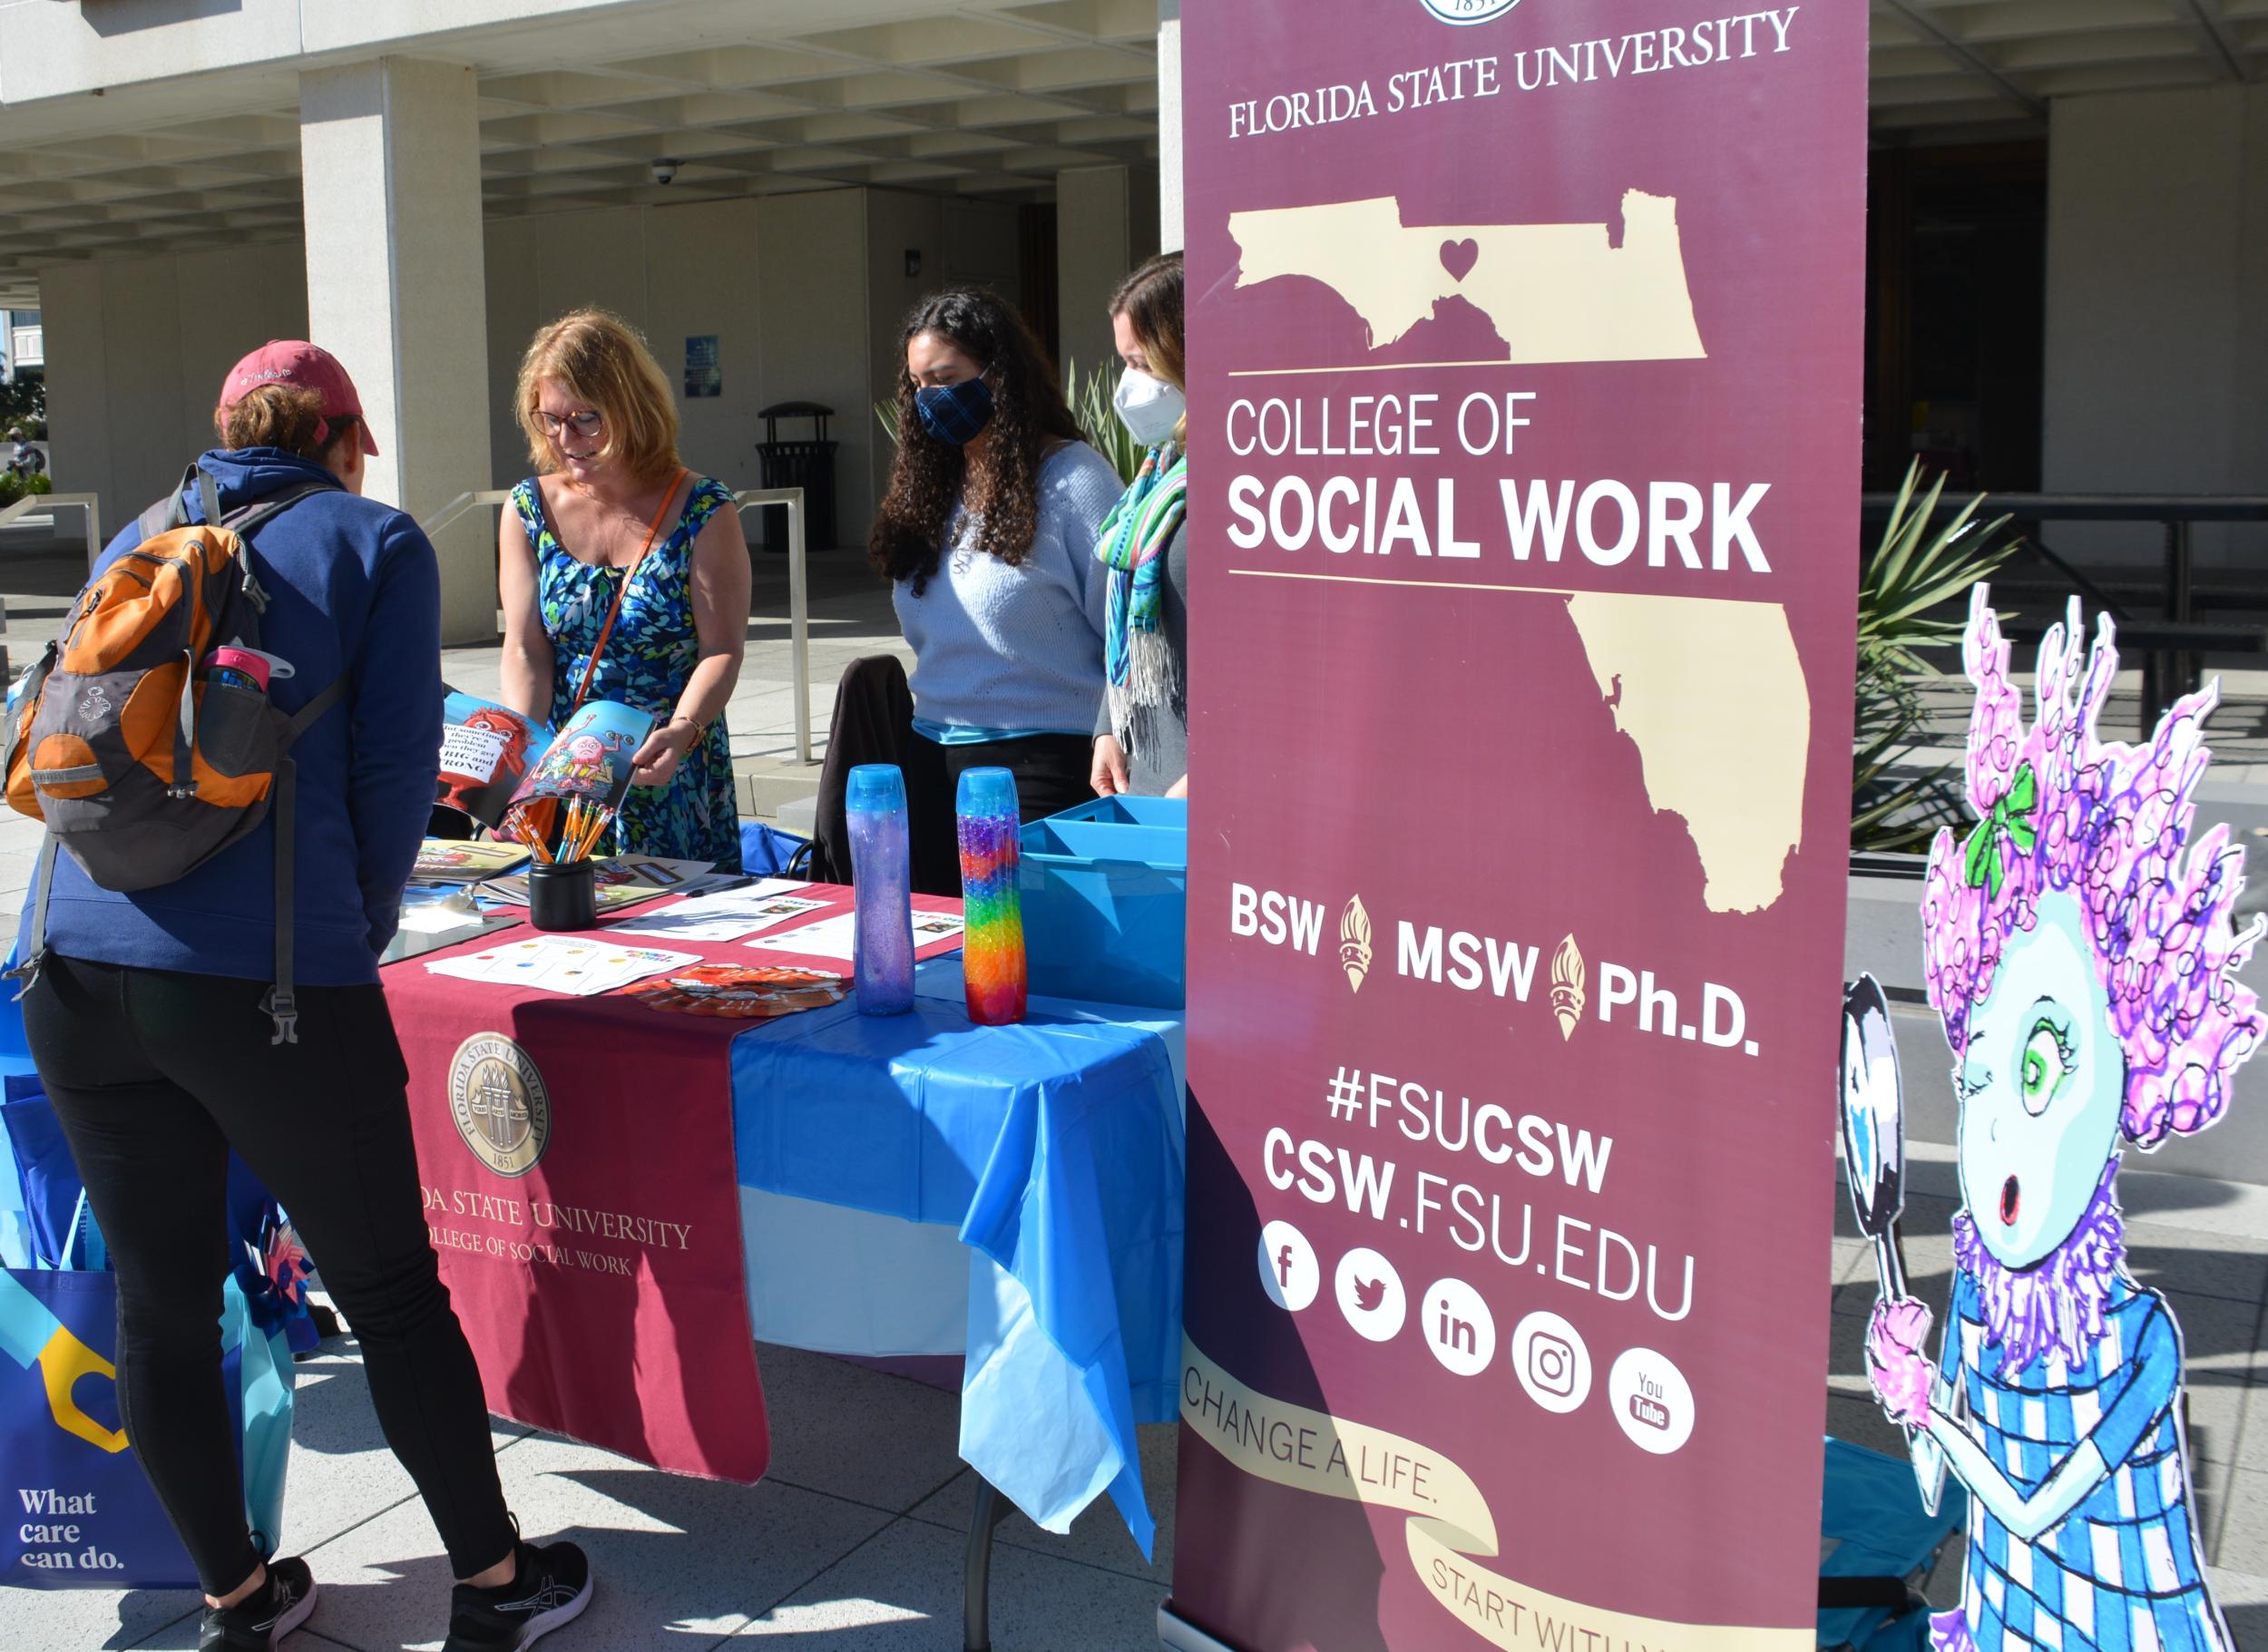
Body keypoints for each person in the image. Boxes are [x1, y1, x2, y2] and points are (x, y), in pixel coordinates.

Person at [17, 341, 592, 1650]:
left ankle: (239, 1597)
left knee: (162, 1301)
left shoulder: (145, 530)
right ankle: (500, 1587)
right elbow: (395, 784)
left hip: (70, 969)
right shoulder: (374, 544)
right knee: (389, 1290)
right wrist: (351, 939)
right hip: (264, 987)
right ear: (341, 438)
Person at [870, 288, 1121, 893]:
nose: (931, 398)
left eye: (947, 378)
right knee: (947, 963)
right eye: (918, 384)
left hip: (1041, 767)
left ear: (1000, 376)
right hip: (932, 754)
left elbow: (1128, 634)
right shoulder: (933, 488)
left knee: (1027, 964)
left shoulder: (1075, 482)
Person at [499, 309, 749, 871]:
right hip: (567, 776)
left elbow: (723, 649)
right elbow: (524, 647)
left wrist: (683, 730)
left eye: (586, 418)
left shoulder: (704, 508)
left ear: (631, 407)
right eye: (549, 419)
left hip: (667, 770)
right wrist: (525, 754)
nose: (567, 439)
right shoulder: (529, 508)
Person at [1089, 253, 1190, 800]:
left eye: (1143, 363)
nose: (1129, 385)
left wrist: (1217, 770)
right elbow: (1128, 625)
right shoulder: (1158, 474)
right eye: (1123, 362)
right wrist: (1108, 724)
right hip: (1142, 776)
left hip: (1205, 790)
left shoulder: (1248, 483)